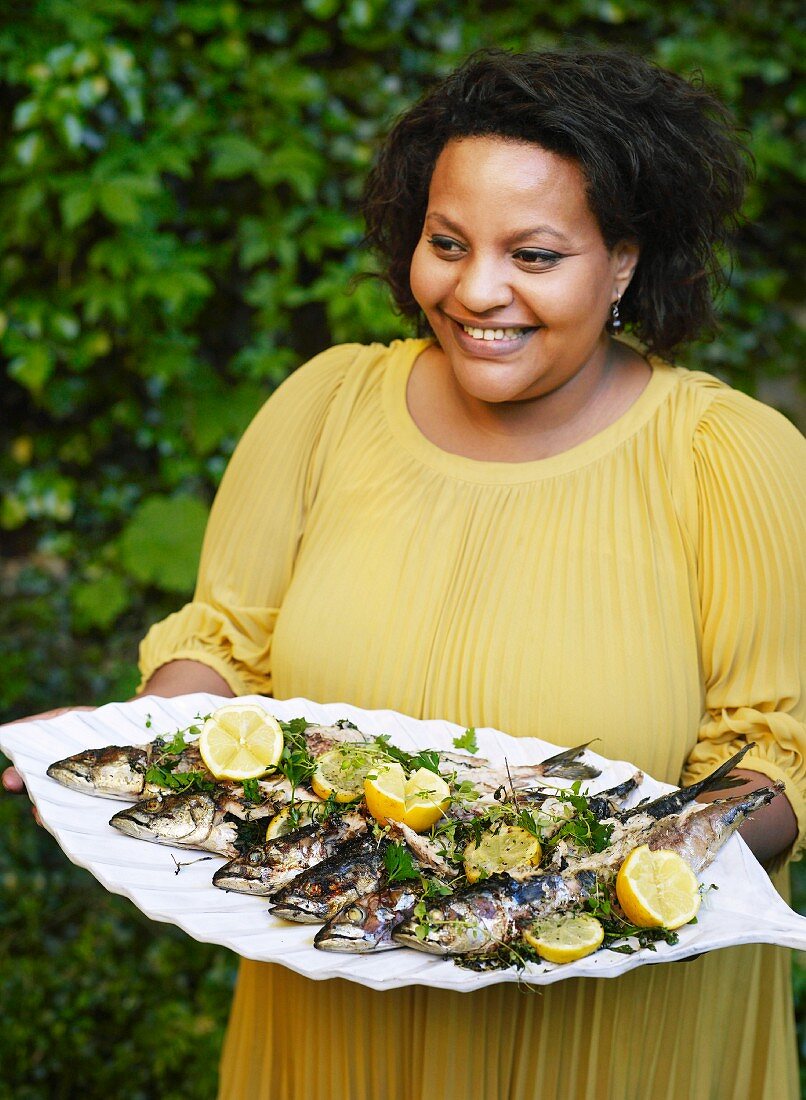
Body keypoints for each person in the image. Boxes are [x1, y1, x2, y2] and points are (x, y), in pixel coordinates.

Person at [4, 47, 804, 1098]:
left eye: (533, 254)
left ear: (621, 262)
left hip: (605, 1037)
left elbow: (776, 753)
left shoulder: (726, 456)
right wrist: (130, 741)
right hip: (334, 1012)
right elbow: (223, 650)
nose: (476, 290)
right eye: (446, 243)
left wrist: (615, 874)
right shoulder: (325, 406)